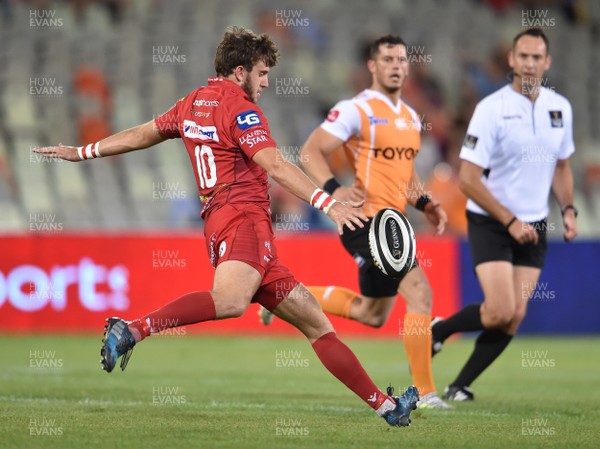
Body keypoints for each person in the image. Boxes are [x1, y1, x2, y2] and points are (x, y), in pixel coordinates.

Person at [34, 26, 419, 427]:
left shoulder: (192, 103)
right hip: (244, 221)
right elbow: (275, 164)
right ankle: (132, 330)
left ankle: (387, 408)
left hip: (226, 222)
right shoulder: (240, 108)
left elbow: (140, 135)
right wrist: (330, 205)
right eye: (262, 73)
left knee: (317, 324)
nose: (266, 82)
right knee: (232, 301)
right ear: (240, 72)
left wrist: (82, 151)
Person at [260, 35, 450, 409]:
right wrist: (332, 189)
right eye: (388, 59)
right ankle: (426, 394)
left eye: (401, 59)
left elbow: (404, 177)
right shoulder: (356, 109)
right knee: (421, 294)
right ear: (372, 67)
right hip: (364, 221)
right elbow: (311, 150)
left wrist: (425, 202)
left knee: (372, 313)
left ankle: (284, 298)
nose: (397, 65)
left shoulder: (411, 117)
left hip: (393, 225)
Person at [431, 28, 578, 401]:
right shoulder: (491, 109)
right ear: (512, 60)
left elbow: (562, 166)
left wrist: (569, 208)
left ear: (547, 62)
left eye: (537, 57)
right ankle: (440, 330)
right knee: (499, 310)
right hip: (492, 223)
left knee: (513, 316)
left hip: (535, 225)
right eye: (523, 56)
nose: (529, 64)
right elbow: (467, 178)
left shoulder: (560, 109)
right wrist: (510, 221)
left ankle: (458, 385)